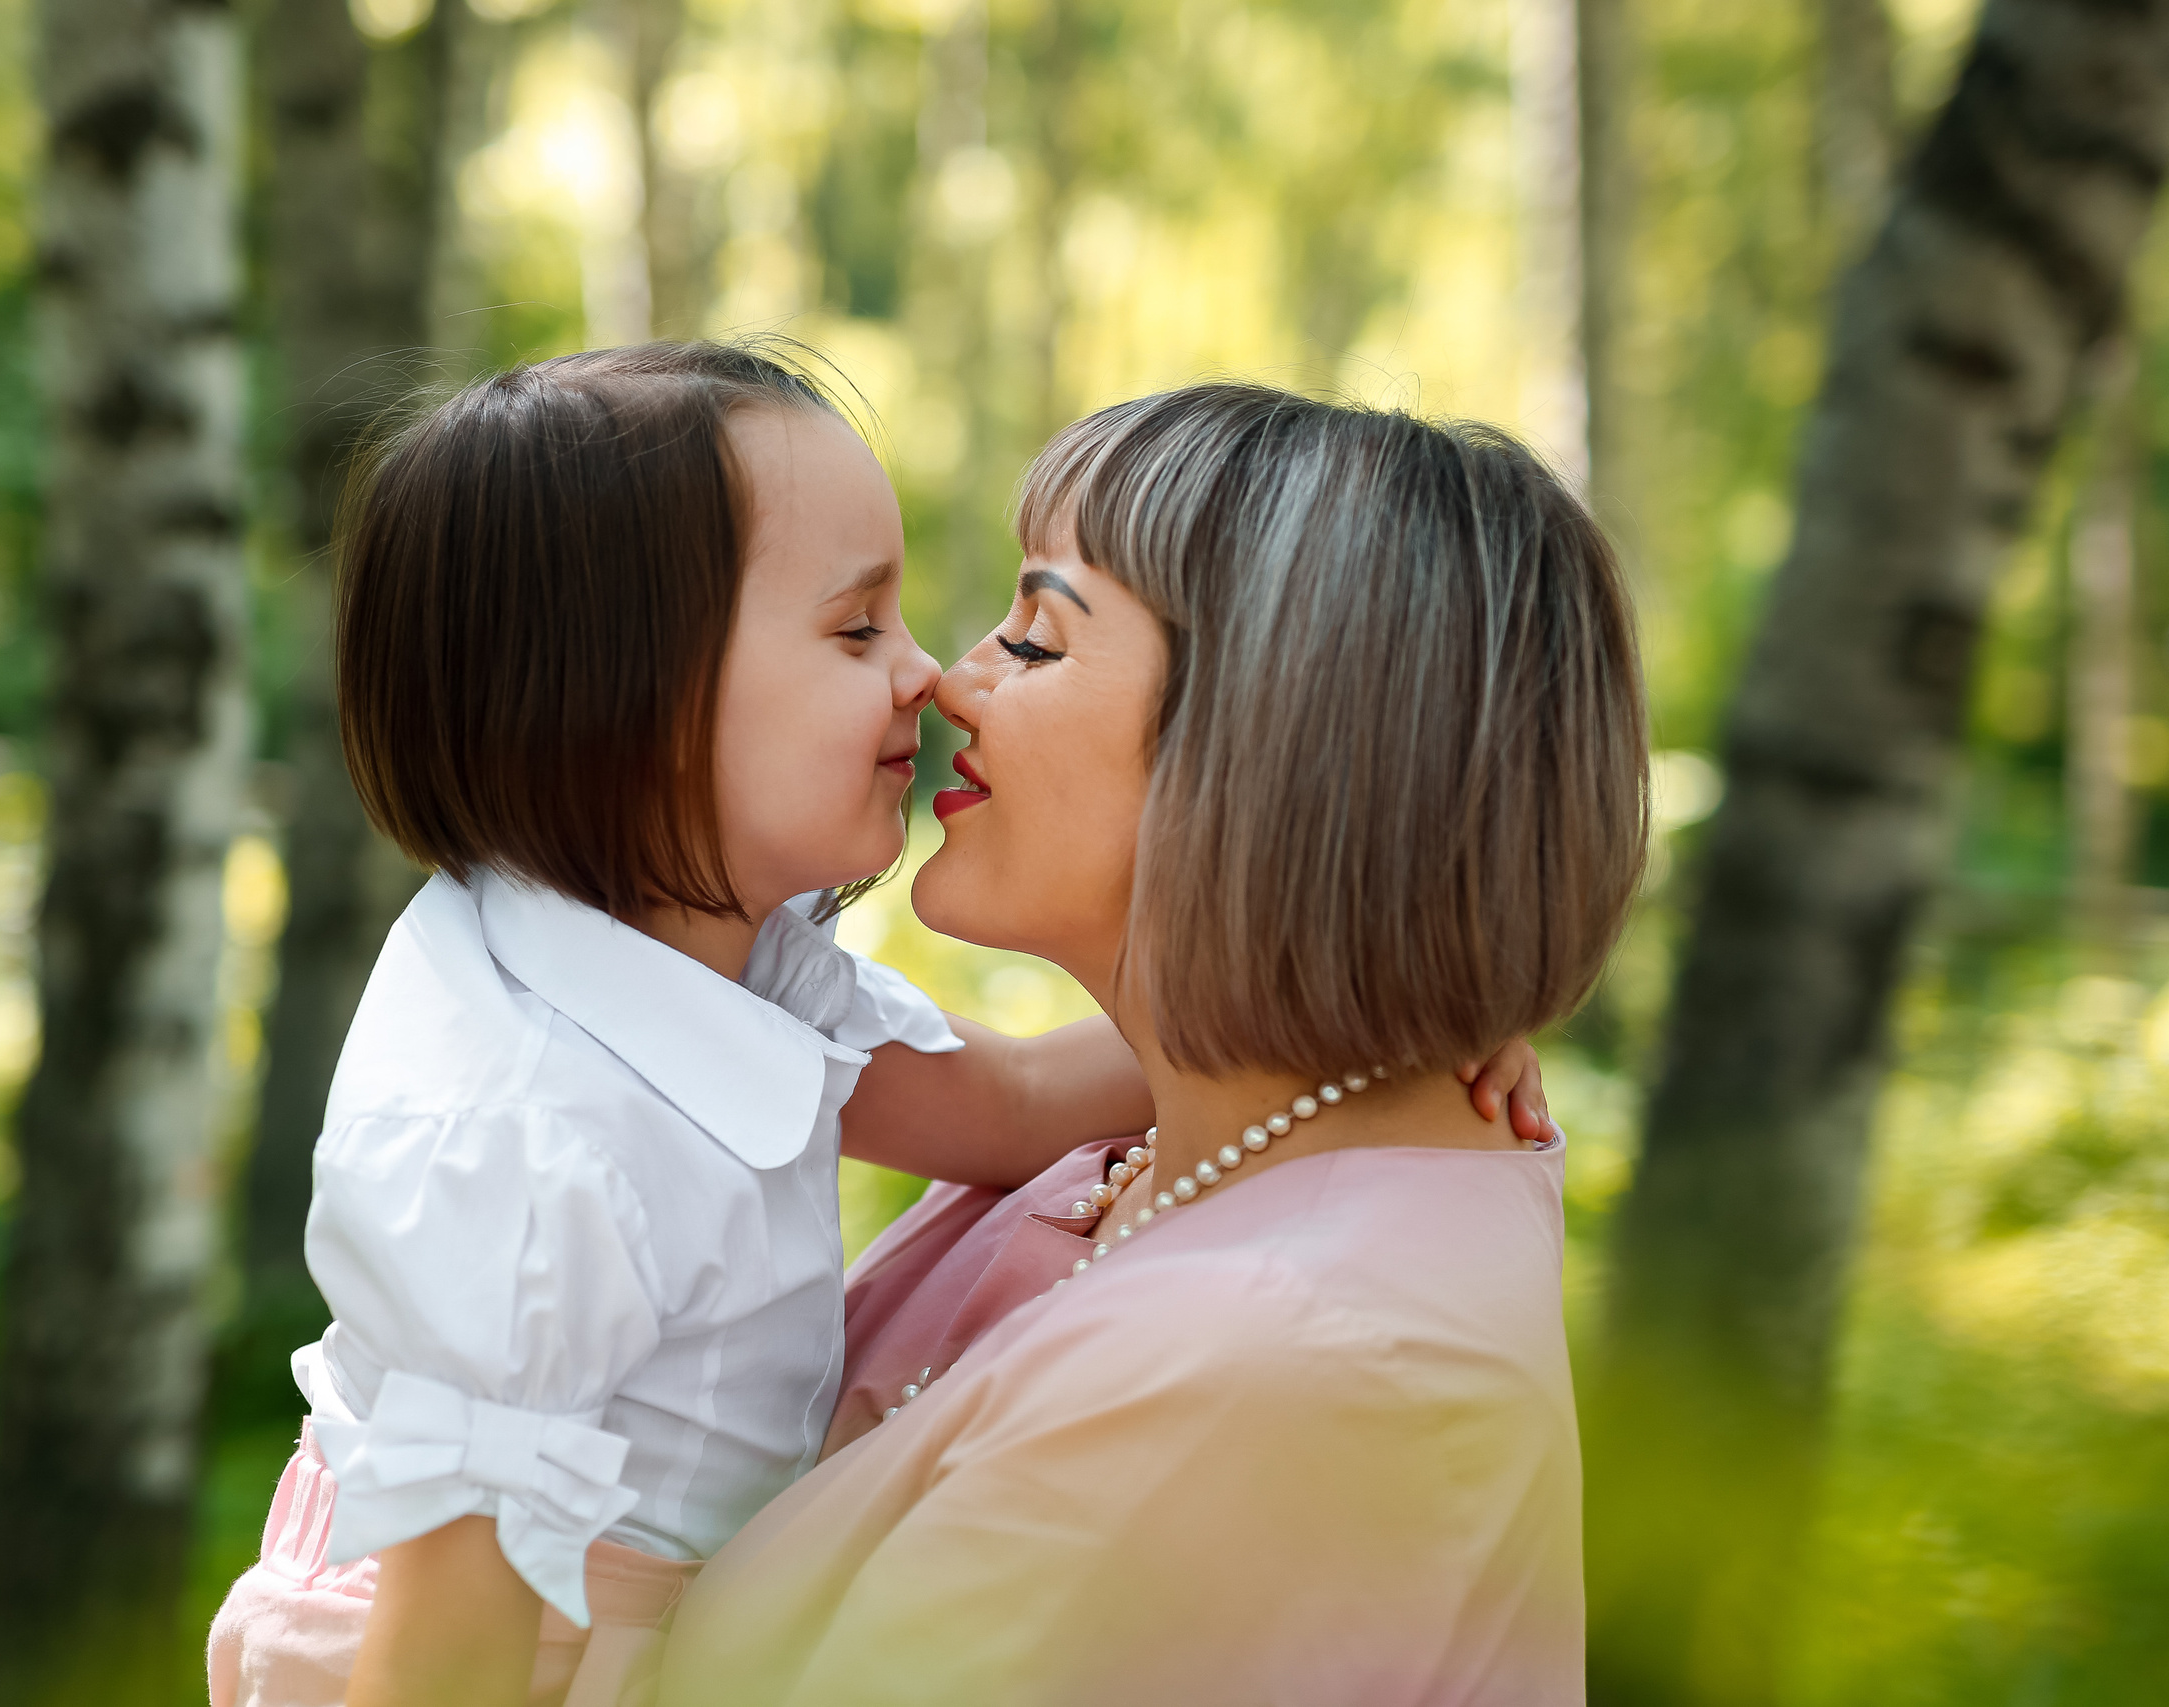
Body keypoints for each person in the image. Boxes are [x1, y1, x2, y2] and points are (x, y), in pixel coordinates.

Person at [205, 345, 1552, 1707]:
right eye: (858, 633)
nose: (935, 678)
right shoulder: (514, 1136)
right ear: (631, 716)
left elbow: (1020, 1097)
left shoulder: (741, 976)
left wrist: (1389, 1016)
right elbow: (437, 1642)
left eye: (1030, 637)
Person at [657, 383, 1649, 1706]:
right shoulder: (1186, 1135)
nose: (951, 678)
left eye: (1037, 641)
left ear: (1275, 743)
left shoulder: (1263, 1370)